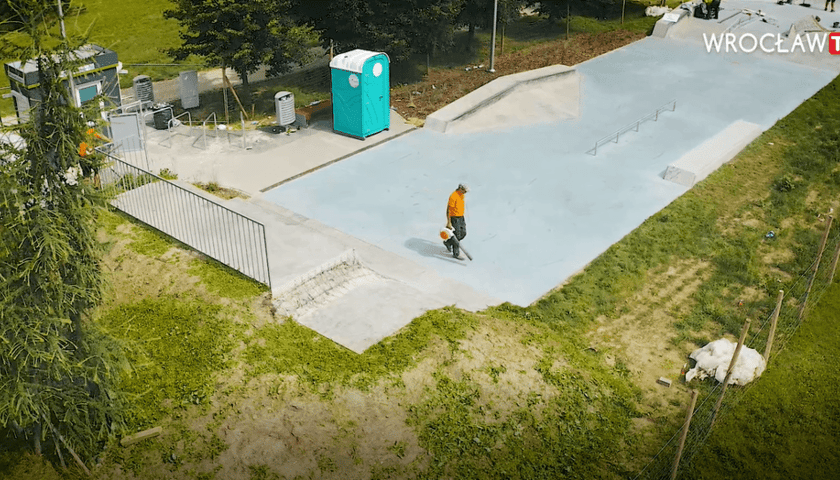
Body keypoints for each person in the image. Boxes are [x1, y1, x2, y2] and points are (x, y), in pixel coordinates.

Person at [444, 183, 469, 260]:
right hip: (454, 218)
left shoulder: (462, 195)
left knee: (463, 233)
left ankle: (448, 242)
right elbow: (448, 210)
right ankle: (456, 254)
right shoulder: (453, 196)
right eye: (465, 190)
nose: (466, 192)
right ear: (460, 189)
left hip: (461, 217)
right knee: (457, 236)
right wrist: (449, 222)